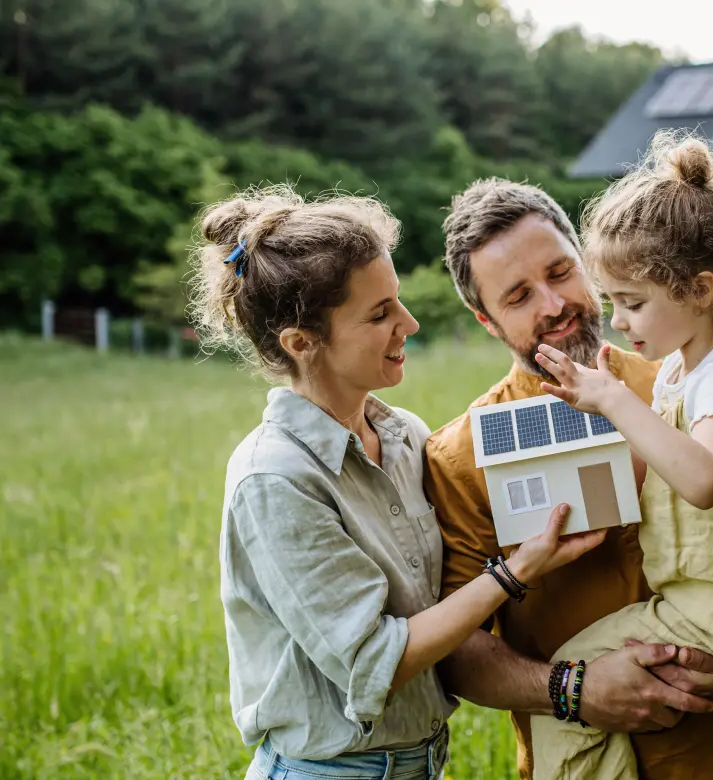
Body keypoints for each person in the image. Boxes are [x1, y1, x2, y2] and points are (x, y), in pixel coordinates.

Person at [188, 185, 603, 780]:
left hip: (421, 762)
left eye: (398, 301)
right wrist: (513, 573)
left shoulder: (406, 436)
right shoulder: (274, 479)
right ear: (303, 344)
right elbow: (374, 660)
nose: (407, 323)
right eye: (379, 315)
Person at [424, 175, 713, 780]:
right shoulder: (459, 456)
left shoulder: (686, 377)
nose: (553, 305)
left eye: (560, 273)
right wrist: (572, 689)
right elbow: (456, 651)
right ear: (487, 321)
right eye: (518, 296)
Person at [526, 132, 713, 778]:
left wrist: (614, 400)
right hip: (707, 602)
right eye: (612, 301)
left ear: (698, 289)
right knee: (582, 688)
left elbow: (703, 481)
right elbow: (660, 472)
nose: (618, 321)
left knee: (567, 691)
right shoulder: (683, 368)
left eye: (632, 303)